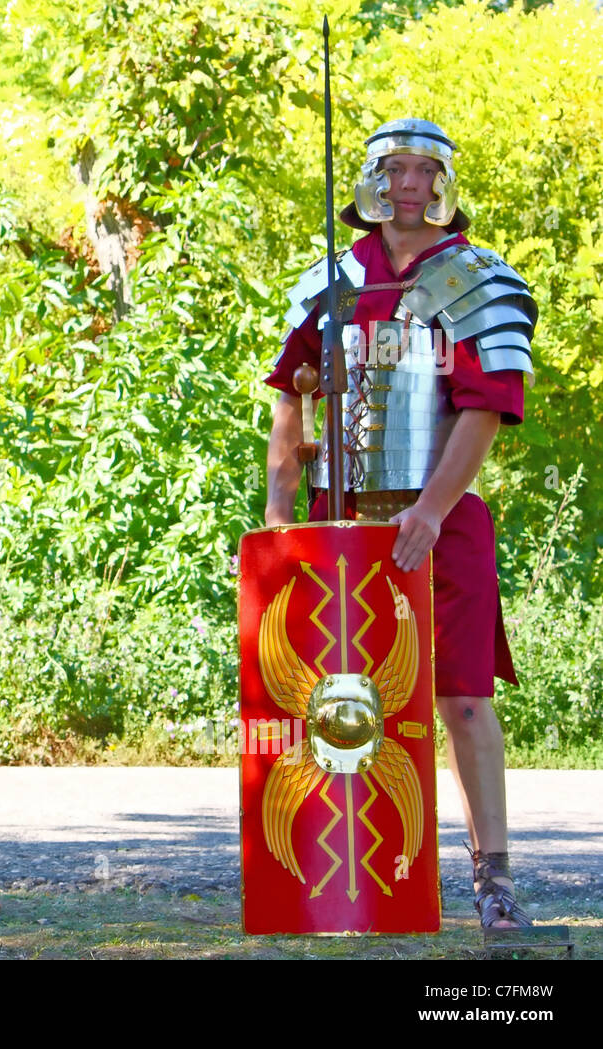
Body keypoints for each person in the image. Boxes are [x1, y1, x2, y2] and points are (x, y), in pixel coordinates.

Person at [264, 119, 536, 929]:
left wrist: (430, 509)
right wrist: (281, 517)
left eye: (424, 171)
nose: (409, 184)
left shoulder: (477, 279)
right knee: (330, 696)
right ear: (372, 182)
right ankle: (335, 878)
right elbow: (292, 396)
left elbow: (485, 412)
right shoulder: (331, 280)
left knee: (459, 696)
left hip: (438, 516)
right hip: (338, 514)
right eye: (394, 168)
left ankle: (493, 879)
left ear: (444, 185)